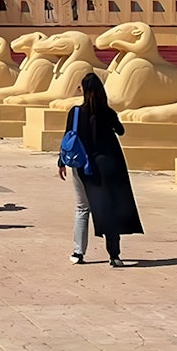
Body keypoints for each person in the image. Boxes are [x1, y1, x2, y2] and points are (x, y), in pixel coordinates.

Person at [57, 72, 143, 267]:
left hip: (82, 165)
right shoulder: (107, 112)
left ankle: (78, 252)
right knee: (109, 208)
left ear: (84, 90)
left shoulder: (76, 112)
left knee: (82, 208)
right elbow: (120, 131)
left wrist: (61, 162)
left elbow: (68, 137)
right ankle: (114, 255)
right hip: (106, 166)